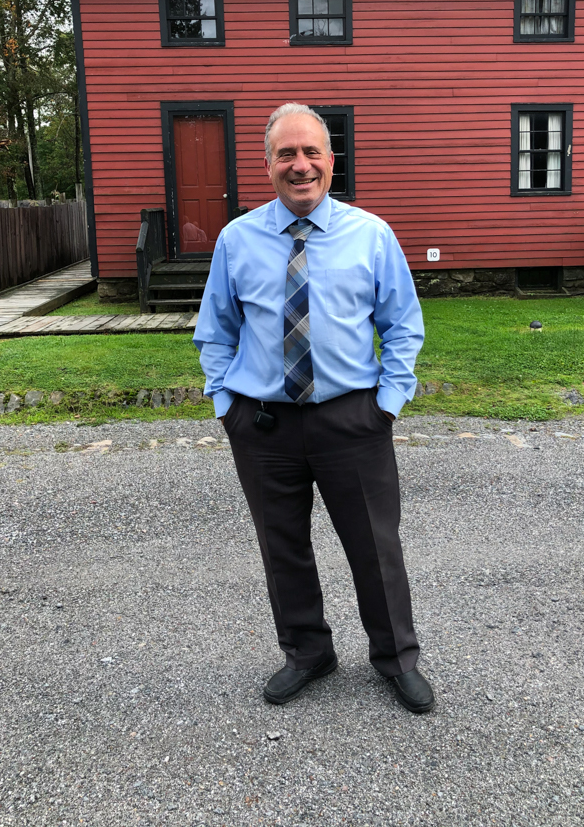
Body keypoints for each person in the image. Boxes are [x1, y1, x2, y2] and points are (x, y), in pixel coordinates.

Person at [193, 103, 434, 713]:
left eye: (310, 153)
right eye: (285, 154)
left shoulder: (371, 235)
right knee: (283, 545)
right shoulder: (236, 239)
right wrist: (226, 402)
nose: (299, 166)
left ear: (331, 160)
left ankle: (395, 657)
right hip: (264, 425)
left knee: (375, 546)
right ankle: (307, 652)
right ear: (267, 165)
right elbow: (215, 330)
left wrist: (387, 404)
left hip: (353, 420)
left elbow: (403, 326)